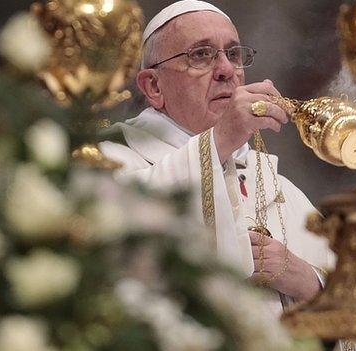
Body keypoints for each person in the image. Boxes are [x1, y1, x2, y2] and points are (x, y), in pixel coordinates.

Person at [99, 0, 335, 315]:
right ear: (154, 86)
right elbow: (113, 246)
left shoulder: (281, 191)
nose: (226, 71)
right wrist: (221, 138)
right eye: (200, 55)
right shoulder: (112, 161)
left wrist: (309, 283)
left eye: (234, 55)